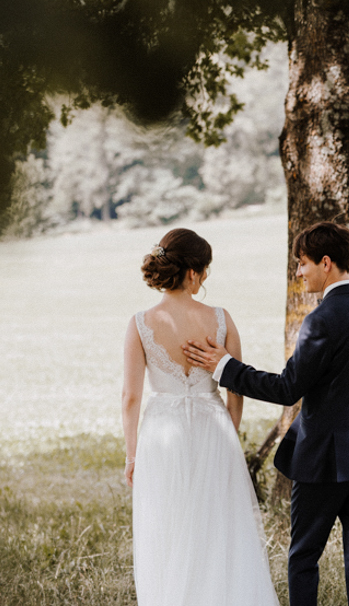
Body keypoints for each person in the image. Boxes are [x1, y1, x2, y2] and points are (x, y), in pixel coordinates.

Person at [184, 221, 349, 606]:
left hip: (325, 463)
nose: (299, 272)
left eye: (302, 263)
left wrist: (225, 366)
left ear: (326, 263)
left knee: (303, 557)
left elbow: (287, 388)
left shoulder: (322, 319)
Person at [121, 228, 278, 606]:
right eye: (205, 269)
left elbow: (130, 397)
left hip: (162, 432)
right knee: (219, 524)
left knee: (169, 523)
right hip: (213, 428)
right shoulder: (221, 319)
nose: (206, 277)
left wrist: (131, 454)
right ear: (192, 272)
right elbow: (235, 388)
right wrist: (229, 432)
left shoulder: (141, 323)